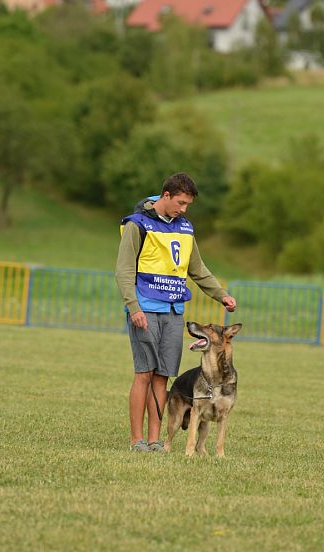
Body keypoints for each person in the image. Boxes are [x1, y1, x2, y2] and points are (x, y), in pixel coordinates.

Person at [115, 172, 237, 452]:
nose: (183, 209)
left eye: (187, 205)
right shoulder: (137, 225)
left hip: (174, 311)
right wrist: (133, 306)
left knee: (162, 376)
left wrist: (222, 295)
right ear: (165, 195)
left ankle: (156, 441)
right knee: (143, 374)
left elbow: (198, 269)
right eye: (180, 203)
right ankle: (137, 441)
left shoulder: (185, 229)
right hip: (144, 309)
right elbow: (123, 270)